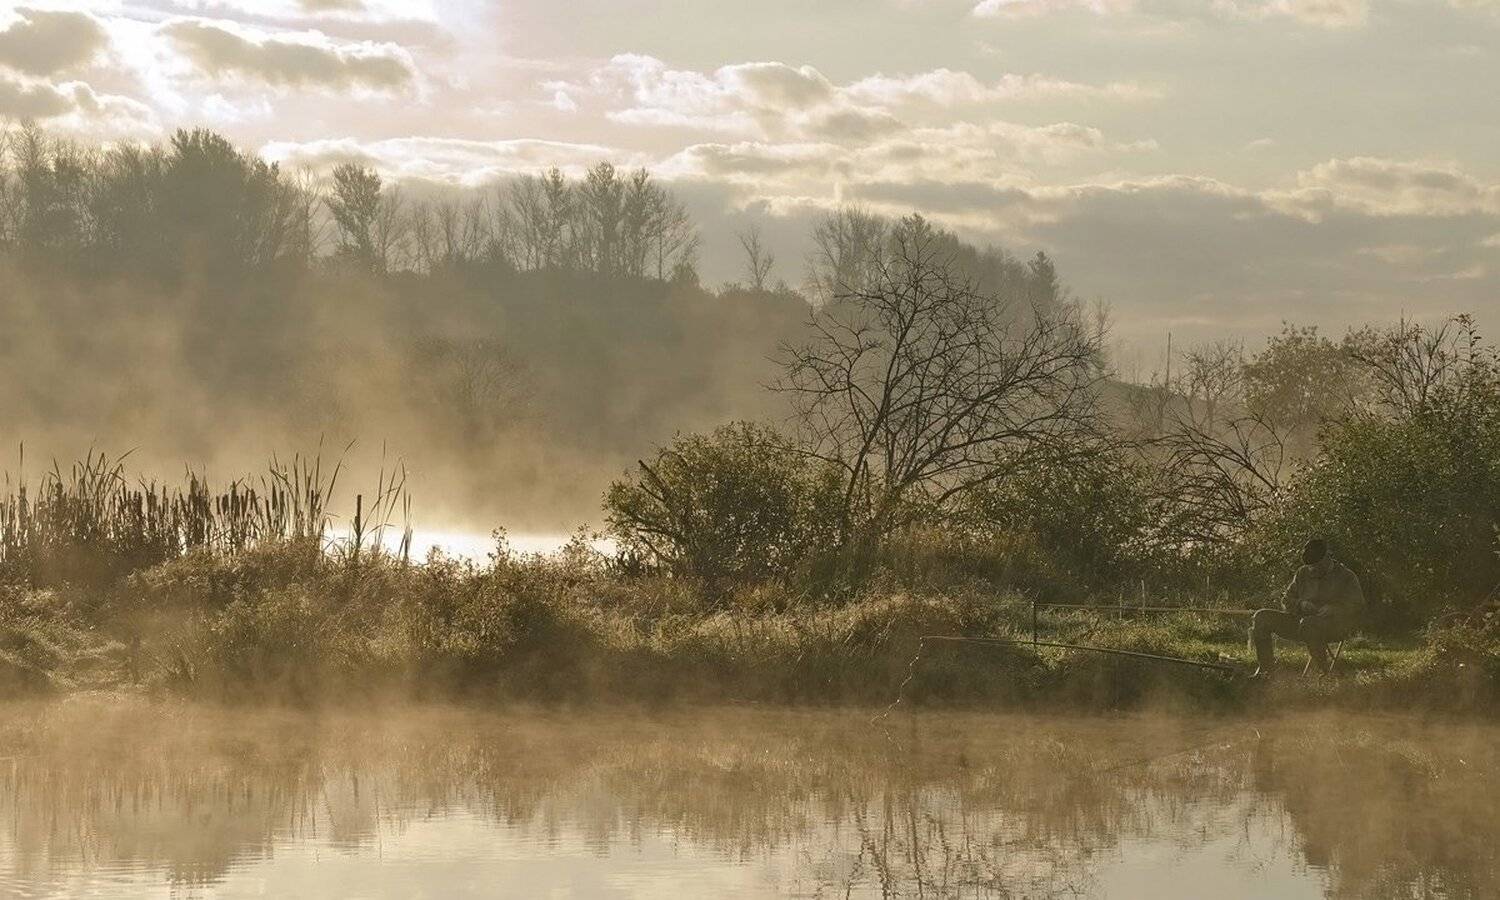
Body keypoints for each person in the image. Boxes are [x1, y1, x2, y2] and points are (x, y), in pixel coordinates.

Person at [1249, 538, 1364, 678]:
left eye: (1317, 566)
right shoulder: (1302, 573)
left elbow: (1358, 606)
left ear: (1328, 556)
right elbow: (1286, 600)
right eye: (1311, 567)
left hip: (1333, 626)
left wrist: (1334, 609)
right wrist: (1300, 604)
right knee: (1261, 616)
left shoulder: (1346, 576)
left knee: (1309, 624)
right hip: (1300, 622)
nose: (1313, 570)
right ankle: (1266, 671)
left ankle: (1325, 672)